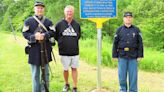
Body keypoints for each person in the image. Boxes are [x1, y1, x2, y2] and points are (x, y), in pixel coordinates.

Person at [22, 1, 55, 92]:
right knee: (35, 74)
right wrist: (34, 37)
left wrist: (44, 35)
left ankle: (45, 90)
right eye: (38, 8)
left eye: (41, 8)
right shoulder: (28, 21)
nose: (39, 9)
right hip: (33, 50)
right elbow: (24, 33)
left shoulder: (48, 21)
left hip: (46, 49)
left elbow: (53, 32)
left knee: (46, 73)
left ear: (43, 9)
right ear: (34, 9)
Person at [112, 12, 144, 92]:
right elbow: (115, 43)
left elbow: (140, 43)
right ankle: (123, 90)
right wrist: (114, 55)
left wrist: (140, 55)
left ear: (132, 19)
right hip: (122, 56)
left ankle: (133, 90)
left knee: (133, 77)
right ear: (123, 19)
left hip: (133, 56)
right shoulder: (119, 30)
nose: (128, 19)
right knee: (122, 76)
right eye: (126, 17)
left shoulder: (136, 30)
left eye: (130, 17)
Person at [55, 5, 81, 92]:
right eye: (67, 11)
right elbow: (56, 36)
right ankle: (66, 84)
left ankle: (74, 87)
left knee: (74, 68)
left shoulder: (76, 25)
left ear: (73, 13)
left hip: (74, 52)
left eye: (71, 11)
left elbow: (78, 36)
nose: (69, 13)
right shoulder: (59, 24)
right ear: (64, 12)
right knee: (65, 69)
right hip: (64, 52)